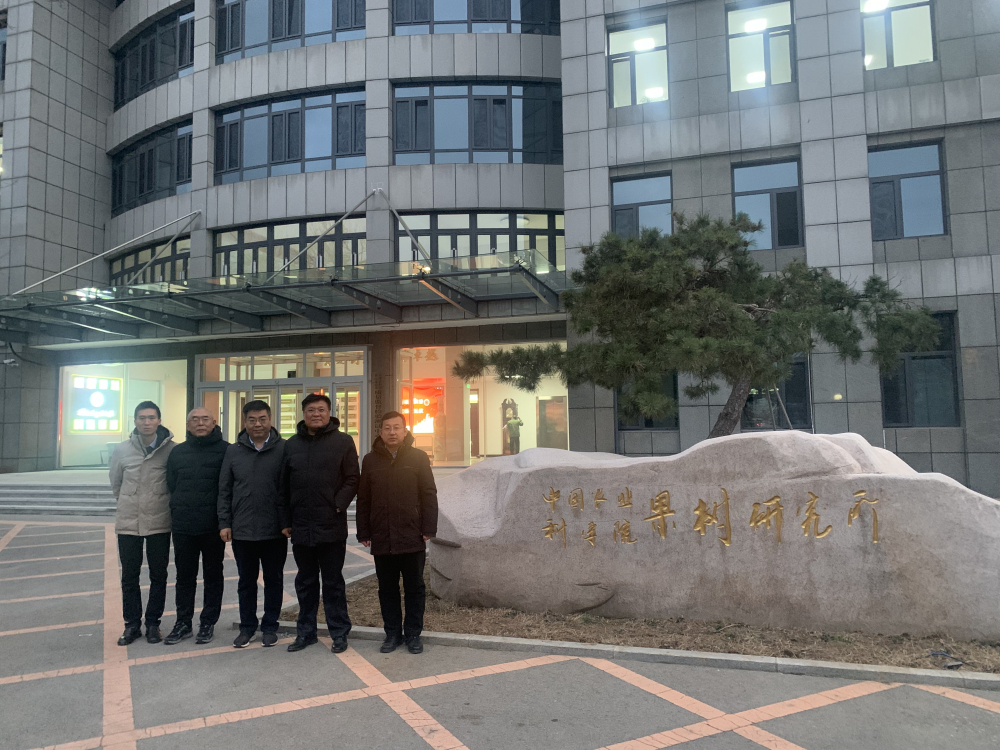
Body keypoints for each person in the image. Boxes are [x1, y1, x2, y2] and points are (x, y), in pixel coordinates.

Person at [279, 393, 360, 654]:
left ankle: (339, 632)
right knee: (305, 582)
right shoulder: (291, 445)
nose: (316, 414)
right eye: (311, 410)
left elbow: (352, 478)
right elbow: (283, 485)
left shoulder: (343, 441)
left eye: (321, 410)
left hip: (331, 523)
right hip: (301, 525)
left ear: (329, 413)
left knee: (333, 582)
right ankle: (306, 633)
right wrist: (286, 520)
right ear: (303, 414)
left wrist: (337, 504)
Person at [356, 412, 438, 655]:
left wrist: (428, 528)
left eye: (397, 427)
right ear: (380, 432)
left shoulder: (418, 457)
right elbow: (364, 498)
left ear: (405, 431)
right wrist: (364, 531)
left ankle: (413, 634)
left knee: (415, 588)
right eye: (387, 428)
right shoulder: (370, 460)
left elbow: (429, 494)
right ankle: (392, 634)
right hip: (382, 535)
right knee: (387, 589)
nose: (392, 432)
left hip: (412, 534)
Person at [219, 400, 288, 648]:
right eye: (252, 420)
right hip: (243, 530)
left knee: (274, 580)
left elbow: (289, 488)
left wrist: (287, 522)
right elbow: (224, 489)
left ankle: (270, 627)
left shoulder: (284, 449)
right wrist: (225, 522)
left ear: (270, 420)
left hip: (274, 530)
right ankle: (247, 627)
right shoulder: (233, 451)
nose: (257, 424)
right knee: (246, 582)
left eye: (262, 419)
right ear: (245, 422)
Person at [109, 401, 176, 646]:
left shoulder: (171, 450)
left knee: (158, 575)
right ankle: (132, 625)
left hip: (159, 521)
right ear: (135, 421)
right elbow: (116, 484)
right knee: (130, 576)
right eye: (141, 418)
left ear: (159, 420)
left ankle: (153, 624)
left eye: (151, 418)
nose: (146, 422)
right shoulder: (122, 450)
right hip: (129, 522)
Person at [163, 407, 229, 645]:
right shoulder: (177, 452)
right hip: (183, 525)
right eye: (194, 419)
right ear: (187, 425)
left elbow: (228, 488)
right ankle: (183, 622)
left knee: (213, 576)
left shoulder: (226, 450)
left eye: (205, 419)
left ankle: (208, 622)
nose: (200, 423)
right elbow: (172, 483)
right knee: (184, 577)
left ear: (214, 422)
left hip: (213, 526)